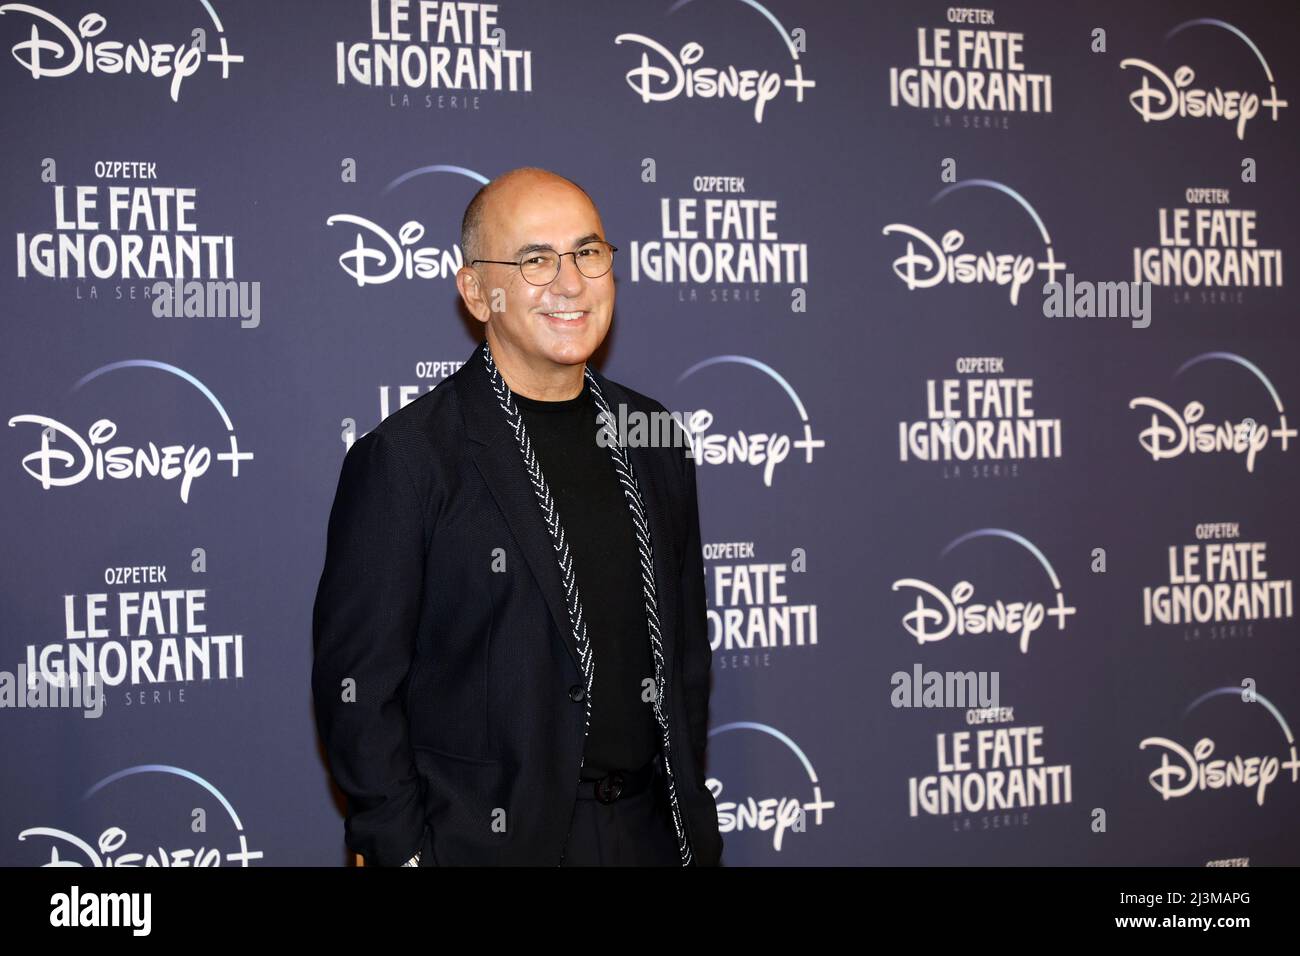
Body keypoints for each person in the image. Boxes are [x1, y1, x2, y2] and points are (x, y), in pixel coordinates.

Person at [311, 167, 723, 866]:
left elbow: (683, 658)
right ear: (476, 290)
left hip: (651, 837)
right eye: (535, 260)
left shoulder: (653, 437)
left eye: (588, 253)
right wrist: (402, 850)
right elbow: (359, 690)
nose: (570, 282)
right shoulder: (408, 461)